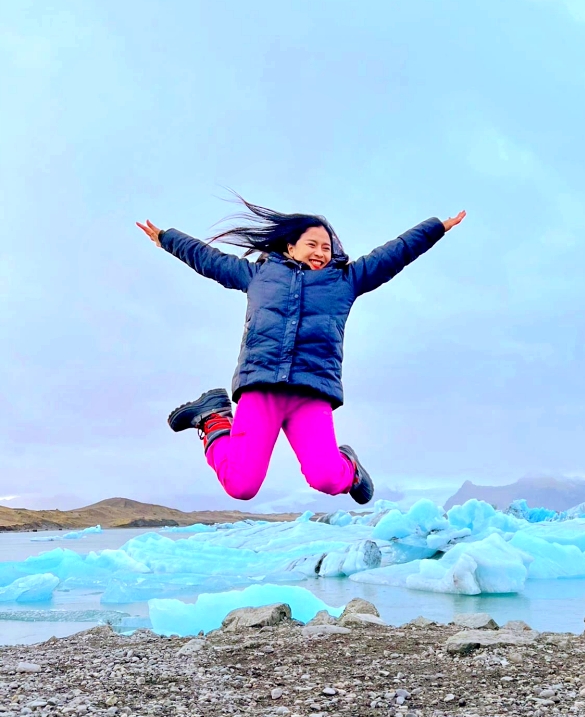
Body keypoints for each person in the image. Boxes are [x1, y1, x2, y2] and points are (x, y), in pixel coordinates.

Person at [137, 201, 466, 505]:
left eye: (327, 247)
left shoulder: (345, 281)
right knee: (241, 486)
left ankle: (349, 469)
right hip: (261, 388)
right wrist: (167, 238)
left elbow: (395, 253)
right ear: (290, 247)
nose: (321, 252)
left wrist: (436, 228)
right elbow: (209, 260)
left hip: (311, 393)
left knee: (326, 478)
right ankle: (213, 419)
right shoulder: (259, 275)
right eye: (312, 244)